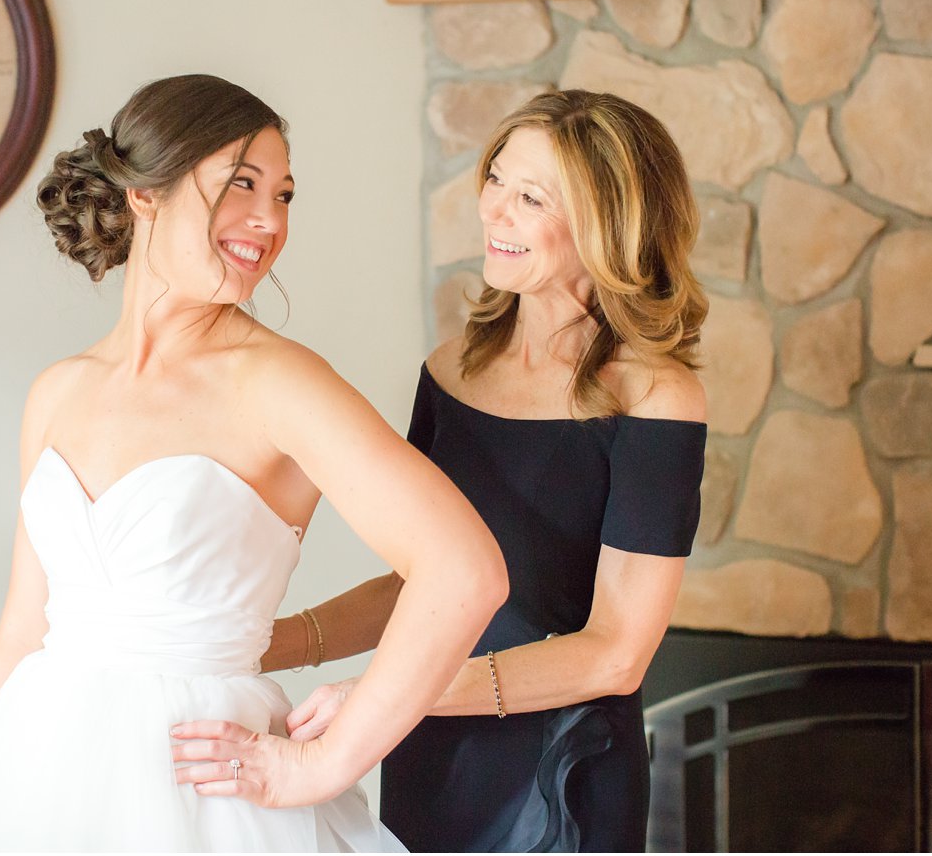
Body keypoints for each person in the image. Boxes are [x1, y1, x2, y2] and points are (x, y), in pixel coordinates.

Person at [0, 74, 507, 852]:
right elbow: (24, 632)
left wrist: (324, 764)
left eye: (285, 194)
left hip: (208, 808)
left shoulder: (278, 381)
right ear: (144, 195)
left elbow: (465, 572)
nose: (268, 220)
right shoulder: (57, 393)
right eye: (240, 184)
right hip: (38, 790)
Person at [248, 89, 708, 851]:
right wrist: (262, 642)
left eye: (531, 197)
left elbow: (617, 653)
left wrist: (394, 695)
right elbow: (419, 586)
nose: (494, 210)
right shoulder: (450, 370)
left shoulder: (656, 399)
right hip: (431, 749)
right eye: (496, 178)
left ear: (610, 224)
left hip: (562, 770)